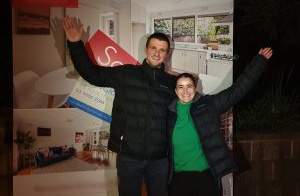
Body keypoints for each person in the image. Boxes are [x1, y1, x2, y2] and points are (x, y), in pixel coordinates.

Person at [62, 16, 176, 196]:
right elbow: (92, 73)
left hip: (159, 159)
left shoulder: (172, 82)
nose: (156, 53)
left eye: (162, 50)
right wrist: (75, 43)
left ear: (167, 54)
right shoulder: (126, 73)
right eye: (153, 48)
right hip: (129, 156)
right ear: (146, 49)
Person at [167, 48, 273, 196]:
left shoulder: (208, 105)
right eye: (181, 87)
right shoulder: (169, 113)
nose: (185, 91)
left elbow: (237, 90)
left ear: (195, 88)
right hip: (178, 178)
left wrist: (259, 61)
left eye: (189, 86)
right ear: (176, 91)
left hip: (205, 175)